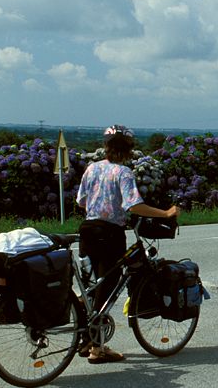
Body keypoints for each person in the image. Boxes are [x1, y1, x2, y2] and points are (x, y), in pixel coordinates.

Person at [77, 124, 180, 364]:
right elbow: (133, 206)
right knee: (108, 287)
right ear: (128, 150)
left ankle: (87, 338)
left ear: (106, 147)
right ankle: (96, 349)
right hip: (109, 234)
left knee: (91, 286)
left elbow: (82, 202)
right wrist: (165, 214)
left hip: (87, 231)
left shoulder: (91, 168)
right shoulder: (123, 173)